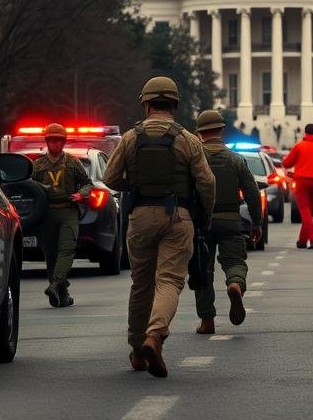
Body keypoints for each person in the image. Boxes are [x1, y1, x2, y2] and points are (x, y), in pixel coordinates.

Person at [103, 76, 215, 378]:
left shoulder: (130, 137)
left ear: (147, 104)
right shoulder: (188, 139)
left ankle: (138, 350)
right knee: (168, 281)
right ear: (175, 105)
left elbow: (110, 178)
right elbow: (207, 181)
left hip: (140, 216)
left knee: (141, 284)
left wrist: (135, 186)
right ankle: (155, 335)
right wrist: (204, 214)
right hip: (178, 216)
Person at [192, 109, 262, 335]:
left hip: (201, 223)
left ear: (199, 132)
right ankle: (235, 284)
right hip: (231, 220)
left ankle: (207, 320)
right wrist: (256, 223)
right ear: (221, 130)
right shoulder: (236, 159)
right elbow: (252, 193)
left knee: (203, 270)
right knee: (235, 262)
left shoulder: (194, 159)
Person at [31, 122, 92, 308]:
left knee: (66, 249)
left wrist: (81, 194)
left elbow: (88, 183)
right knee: (50, 254)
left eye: (58, 141)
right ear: (47, 142)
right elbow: (30, 187)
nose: (55, 144)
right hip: (47, 213)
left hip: (68, 210)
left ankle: (56, 283)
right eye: (51, 140)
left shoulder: (73, 163)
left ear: (63, 142)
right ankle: (61, 294)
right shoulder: (38, 165)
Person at [282, 123, 313, 248]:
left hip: (302, 181)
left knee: (304, 210)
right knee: (308, 212)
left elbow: (286, 163)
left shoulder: (299, 146)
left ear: (304, 132)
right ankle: (302, 241)